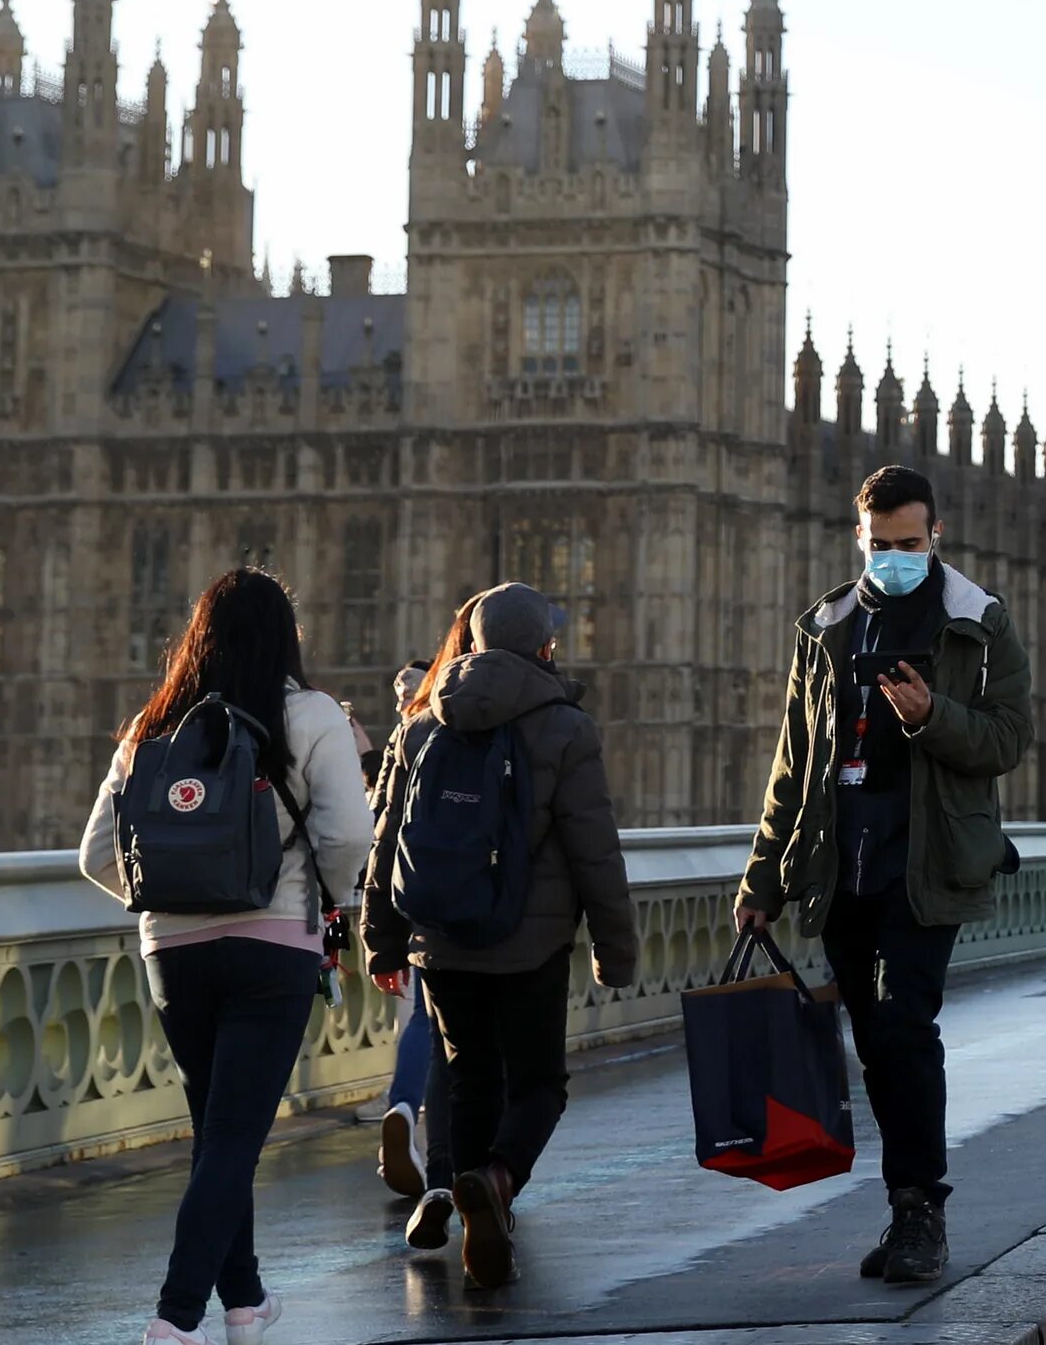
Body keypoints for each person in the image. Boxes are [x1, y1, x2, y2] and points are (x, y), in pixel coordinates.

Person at [737, 465, 1033, 1288]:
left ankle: (919, 1209)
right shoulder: (826, 626)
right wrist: (761, 881)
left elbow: (1010, 737)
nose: (896, 556)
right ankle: (906, 1203)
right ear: (858, 536)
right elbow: (792, 765)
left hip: (927, 865)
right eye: (882, 543)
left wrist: (932, 715)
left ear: (934, 535)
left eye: (910, 542)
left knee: (907, 1027)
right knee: (875, 1045)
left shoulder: (977, 620)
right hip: (842, 869)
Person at [80, 564, 373, 1345]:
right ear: (286, 637)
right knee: (235, 1137)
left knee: (219, 1133)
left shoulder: (152, 722)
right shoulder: (311, 715)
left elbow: (95, 855)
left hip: (172, 953)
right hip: (275, 943)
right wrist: (333, 903)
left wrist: (165, 908)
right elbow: (348, 836)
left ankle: (243, 1301)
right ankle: (174, 1319)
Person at [364, 583, 638, 1291]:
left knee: (470, 1076)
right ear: (544, 647)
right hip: (530, 941)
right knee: (540, 1082)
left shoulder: (421, 721)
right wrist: (616, 945)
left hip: (441, 936)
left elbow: (386, 839)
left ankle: (467, 1198)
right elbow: (595, 849)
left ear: (474, 640)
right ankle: (496, 1177)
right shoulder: (564, 725)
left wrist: (381, 940)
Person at [372, 644, 451, 1208]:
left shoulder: (410, 738)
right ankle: (464, 1168)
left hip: (415, 898)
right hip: (476, 905)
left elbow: (380, 827)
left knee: (426, 1019)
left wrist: (379, 935)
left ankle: (403, 1106)